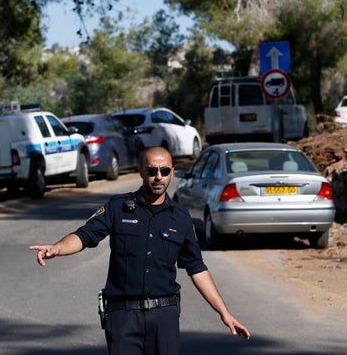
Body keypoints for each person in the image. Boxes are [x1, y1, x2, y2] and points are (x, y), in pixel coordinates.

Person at [29, 146, 250, 354]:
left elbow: (197, 269)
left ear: (172, 172)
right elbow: (85, 236)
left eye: (164, 171)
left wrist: (224, 313)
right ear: (141, 172)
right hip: (123, 316)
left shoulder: (181, 218)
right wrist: (57, 248)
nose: (158, 177)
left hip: (164, 316)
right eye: (151, 171)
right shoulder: (118, 207)